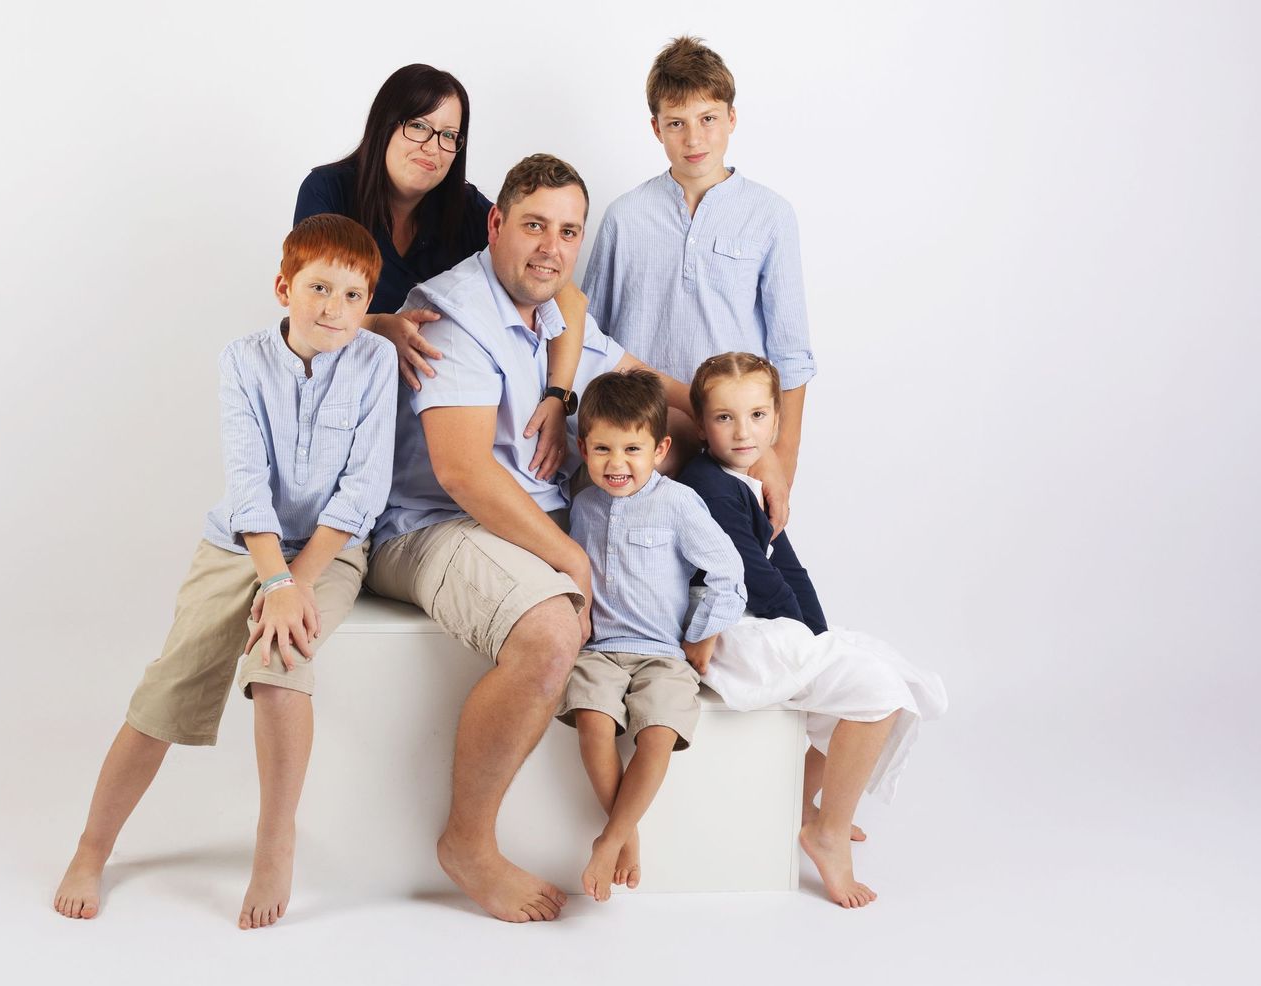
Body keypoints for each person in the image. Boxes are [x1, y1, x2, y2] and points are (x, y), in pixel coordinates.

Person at [365, 154, 687, 923]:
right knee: (552, 629)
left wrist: (733, 427)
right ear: (496, 224)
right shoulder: (452, 311)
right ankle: (467, 844)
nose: (551, 246)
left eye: (569, 231)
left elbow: (651, 391)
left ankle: (620, 818)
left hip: (525, 525)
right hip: (430, 525)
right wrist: (571, 556)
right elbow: (463, 471)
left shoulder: (556, 317)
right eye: (535, 225)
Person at [52, 215, 398, 928]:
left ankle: (275, 842)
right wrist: (272, 580)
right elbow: (247, 482)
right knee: (168, 686)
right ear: (284, 288)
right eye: (319, 288)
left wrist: (298, 584)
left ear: (369, 304)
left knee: (281, 663)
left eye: (353, 295)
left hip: (329, 550)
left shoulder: (374, 364)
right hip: (239, 544)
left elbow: (362, 491)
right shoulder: (240, 361)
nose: (334, 308)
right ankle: (92, 846)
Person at [678, 352, 948, 908]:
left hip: (768, 618)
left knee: (884, 675)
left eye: (756, 415)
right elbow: (752, 576)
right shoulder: (710, 484)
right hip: (735, 629)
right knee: (876, 692)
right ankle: (824, 833)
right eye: (725, 418)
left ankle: (799, 806)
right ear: (702, 424)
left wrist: (819, 632)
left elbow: (788, 565)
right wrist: (805, 635)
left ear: (776, 421)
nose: (743, 430)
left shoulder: (747, 480)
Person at [295, 64, 585, 483]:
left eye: (449, 135)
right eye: (419, 126)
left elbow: (564, 293)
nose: (433, 147)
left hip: (416, 432)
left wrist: (558, 396)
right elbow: (309, 311)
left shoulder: (465, 210)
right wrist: (377, 325)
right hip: (331, 415)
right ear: (385, 125)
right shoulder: (328, 192)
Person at [582, 35, 815, 527]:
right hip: (639, 444)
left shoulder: (770, 216)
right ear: (656, 128)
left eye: (708, 119)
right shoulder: (625, 217)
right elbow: (589, 337)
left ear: (731, 118)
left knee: (742, 584)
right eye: (676, 123)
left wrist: (781, 463)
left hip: (736, 444)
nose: (694, 139)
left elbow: (791, 355)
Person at [555, 370, 745, 901]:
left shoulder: (678, 503)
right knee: (592, 722)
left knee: (656, 732)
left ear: (660, 448)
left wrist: (701, 634)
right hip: (600, 652)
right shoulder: (583, 506)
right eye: (602, 450)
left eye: (632, 449)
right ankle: (626, 831)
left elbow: (728, 572)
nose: (617, 465)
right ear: (582, 447)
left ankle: (609, 837)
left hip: (664, 653)